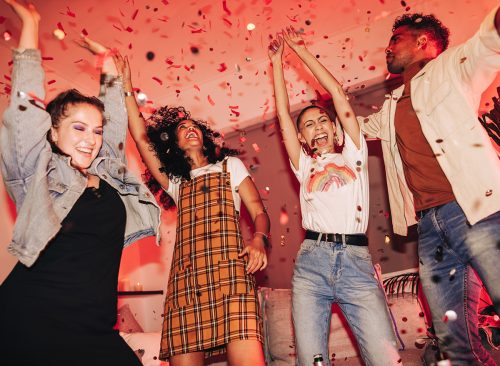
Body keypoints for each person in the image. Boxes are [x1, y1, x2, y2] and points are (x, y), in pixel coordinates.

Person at [0, 1, 160, 365]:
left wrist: (107, 67)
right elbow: (24, 116)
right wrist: (30, 26)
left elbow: (114, 121)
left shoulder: (108, 172)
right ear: (53, 133)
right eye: (77, 128)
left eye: (96, 131)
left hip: (94, 328)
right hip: (32, 321)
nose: (91, 138)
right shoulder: (37, 176)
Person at [358, 6, 500, 365]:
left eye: (395, 39)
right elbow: (349, 130)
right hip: (429, 230)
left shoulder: (452, 67)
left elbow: (488, 40)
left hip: (477, 213)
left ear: (423, 41)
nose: (387, 48)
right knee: (453, 343)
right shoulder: (389, 108)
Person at [121, 56, 269, 365]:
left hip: (232, 277)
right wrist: (125, 88)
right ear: (173, 144)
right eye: (182, 128)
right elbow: (140, 137)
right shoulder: (175, 181)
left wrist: (258, 239)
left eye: (194, 126)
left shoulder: (231, 166)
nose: (190, 130)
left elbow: (257, 210)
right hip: (186, 284)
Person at [268, 28, 401, 366]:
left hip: (356, 262)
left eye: (322, 119)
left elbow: (337, 94)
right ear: (302, 137)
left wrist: (299, 50)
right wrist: (276, 64)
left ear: (335, 127)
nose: (318, 126)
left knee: (386, 359)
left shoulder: (353, 154)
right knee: (311, 361)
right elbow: (283, 117)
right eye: (309, 124)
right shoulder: (304, 167)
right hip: (312, 264)